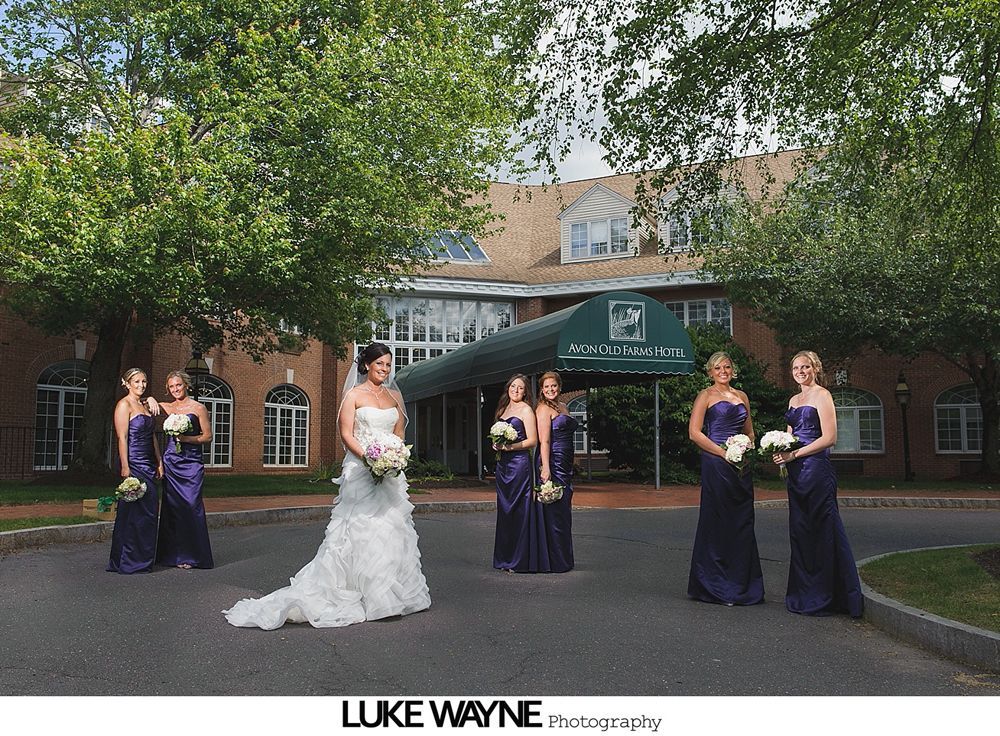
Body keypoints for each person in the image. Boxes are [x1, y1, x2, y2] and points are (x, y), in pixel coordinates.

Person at [223, 342, 430, 629]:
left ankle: (392, 594)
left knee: (392, 529)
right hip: (362, 471)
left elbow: (399, 433)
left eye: (388, 365)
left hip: (391, 474)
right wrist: (371, 459)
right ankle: (366, 595)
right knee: (363, 530)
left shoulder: (394, 396)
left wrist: (393, 458)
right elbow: (346, 435)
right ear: (367, 365)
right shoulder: (354, 395)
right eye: (379, 364)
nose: (384, 369)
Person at [772, 350, 863, 617]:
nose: (800, 371)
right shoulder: (793, 399)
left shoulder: (822, 395)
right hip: (796, 474)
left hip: (816, 471)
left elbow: (830, 437)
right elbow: (789, 436)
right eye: (796, 367)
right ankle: (804, 592)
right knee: (801, 532)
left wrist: (796, 454)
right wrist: (781, 454)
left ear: (815, 369)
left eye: (805, 367)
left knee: (824, 529)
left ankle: (831, 595)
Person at [687, 352, 765, 605]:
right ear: (710, 372)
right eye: (717, 368)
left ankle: (743, 584)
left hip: (741, 466)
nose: (723, 371)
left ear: (733, 370)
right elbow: (694, 433)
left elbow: (750, 431)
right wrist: (724, 453)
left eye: (727, 366)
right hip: (716, 463)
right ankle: (714, 585)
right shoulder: (705, 396)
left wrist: (745, 447)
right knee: (717, 519)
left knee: (741, 521)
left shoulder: (742, 396)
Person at [147, 370, 214, 570]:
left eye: (179, 385)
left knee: (191, 505)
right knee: (172, 507)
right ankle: (172, 555)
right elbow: (141, 405)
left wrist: (185, 439)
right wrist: (150, 397)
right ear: (168, 389)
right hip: (171, 462)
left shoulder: (198, 408)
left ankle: (193, 555)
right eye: (171, 386)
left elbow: (207, 437)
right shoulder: (165, 407)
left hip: (191, 462)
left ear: (186, 385)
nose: (176, 389)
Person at [107, 368, 162, 574]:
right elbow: (122, 438)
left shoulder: (145, 404)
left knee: (149, 512)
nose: (141, 385)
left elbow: (152, 436)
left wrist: (159, 461)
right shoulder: (124, 405)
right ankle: (127, 560)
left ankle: (144, 558)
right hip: (134, 462)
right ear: (127, 383)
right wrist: (125, 466)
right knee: (133, 512)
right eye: (136, 382)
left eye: (144, 382)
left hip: (148, 463)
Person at [492, 373, 539, 572]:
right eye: (513, 387)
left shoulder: (527, 410)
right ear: (508, 388)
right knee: (505, 510)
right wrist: (497, 444)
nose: (516, 391)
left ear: (526, 390)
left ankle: (519, 561)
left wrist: (509, 448)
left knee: (519, 509)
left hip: (519, 465)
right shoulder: (503, 409)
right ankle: (505, 558)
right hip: (503, 466)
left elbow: (532, 441)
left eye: (520, 388)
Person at [533, 371, 576, 572]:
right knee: (554, 508)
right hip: (552, 460)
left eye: (554, 386)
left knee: (564, 508)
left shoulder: (564, 406)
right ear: (542, 389)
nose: (550, 389)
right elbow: (545, 441)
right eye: (546, 387)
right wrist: (546, 468)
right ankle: (553, 560)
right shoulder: (542, 409)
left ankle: (563, 558)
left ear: (559, 387)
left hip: (565, 462)